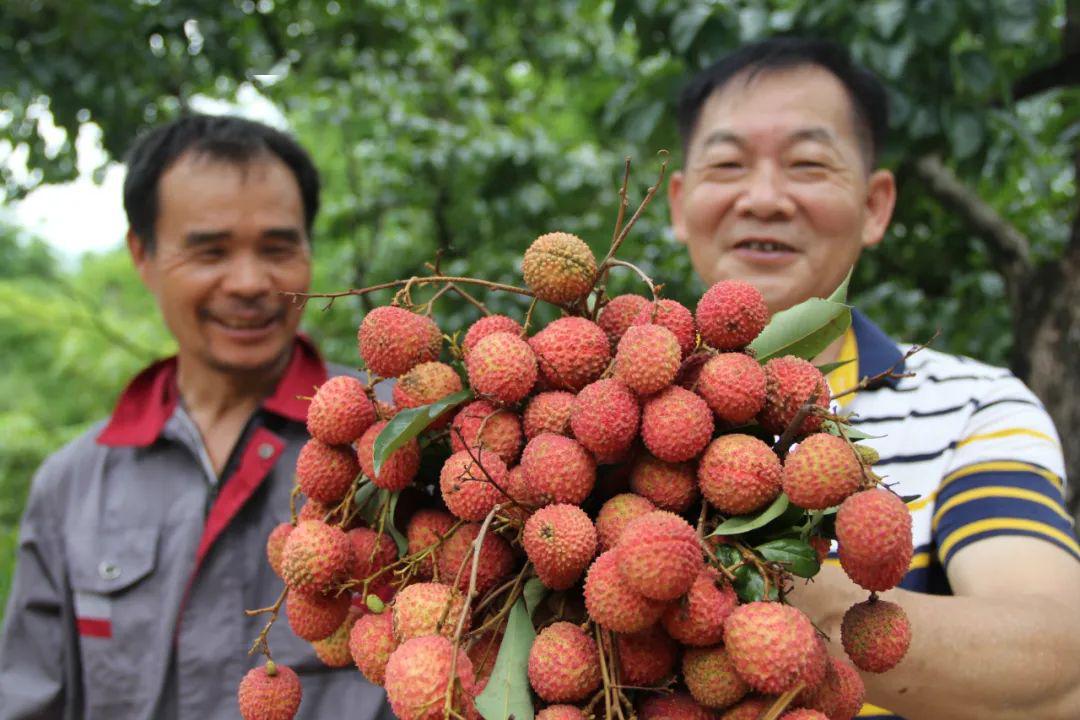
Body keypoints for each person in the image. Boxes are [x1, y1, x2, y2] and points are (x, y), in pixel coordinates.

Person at [668, 38, 1080, 719]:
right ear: (680, 204)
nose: (765, 198)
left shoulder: (972, 405)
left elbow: (1064, 668)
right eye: (728, 164)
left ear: (876, 205)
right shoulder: (595, 407)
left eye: (807, 164)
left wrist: (787, 600)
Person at [0, 115, 394, 720]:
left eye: (278, 247)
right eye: (209, 250)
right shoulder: (71, 487)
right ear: (143, 255)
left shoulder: (403, 439)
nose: (248, 282)